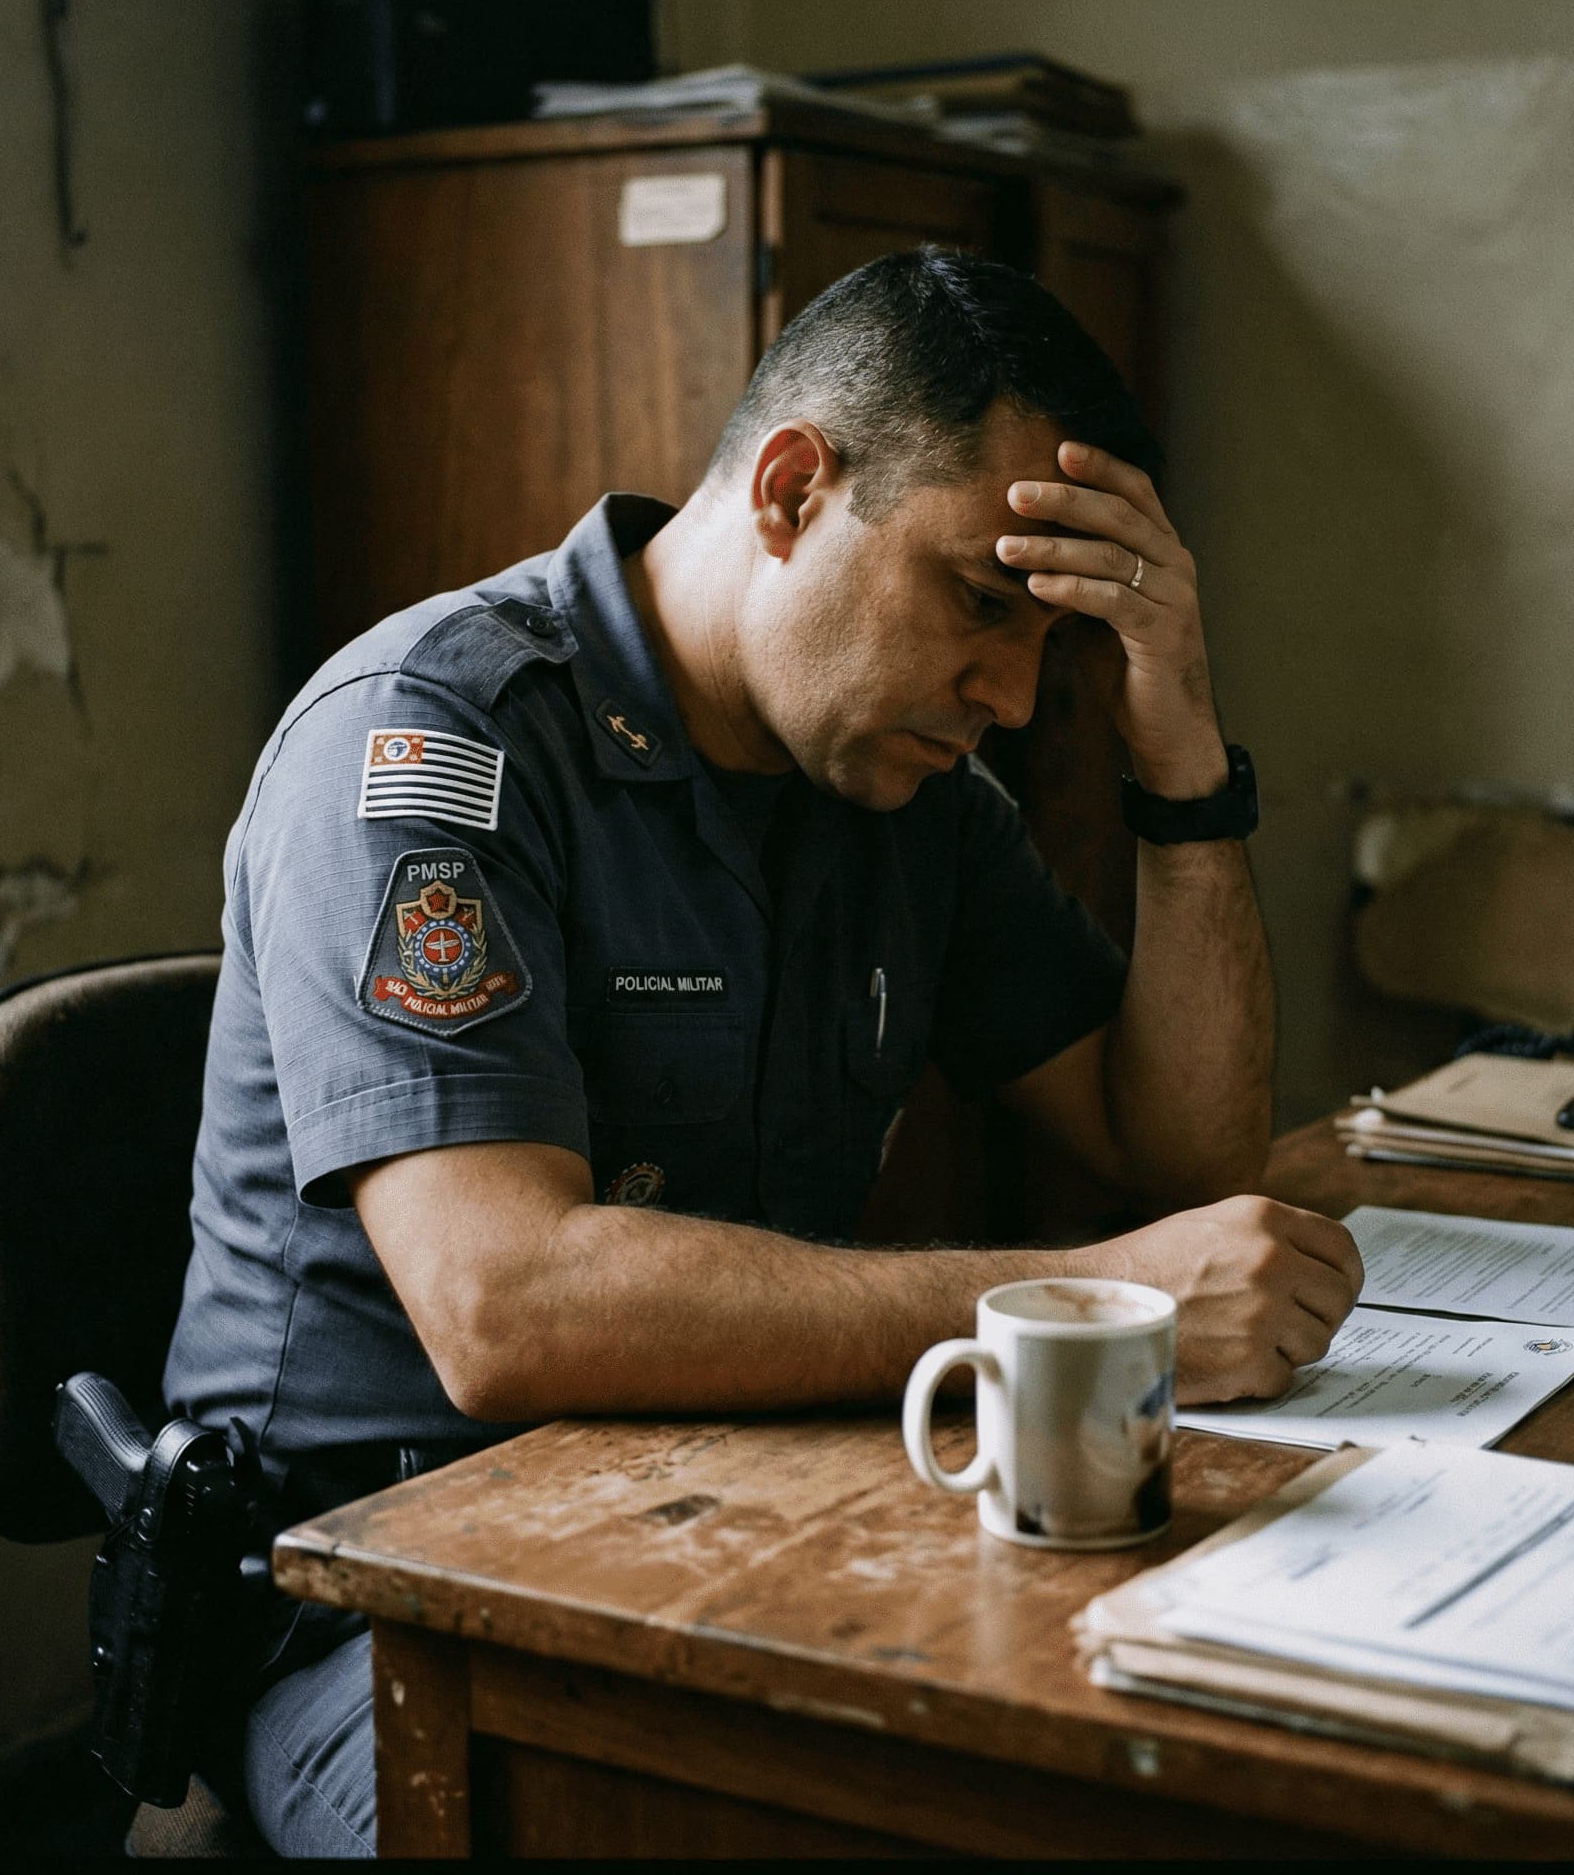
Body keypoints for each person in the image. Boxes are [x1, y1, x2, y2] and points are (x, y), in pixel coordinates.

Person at [162, 246, 1363, 1855]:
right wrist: (1082, 1313)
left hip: (742, 1518)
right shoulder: (434, 740)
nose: (1008, 695)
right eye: (982, 604)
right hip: (375, 1605)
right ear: (793, 489)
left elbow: (1188, 1156)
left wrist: (1183, 744)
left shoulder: (908, 794)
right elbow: (504, 1309)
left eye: (1051, 649)